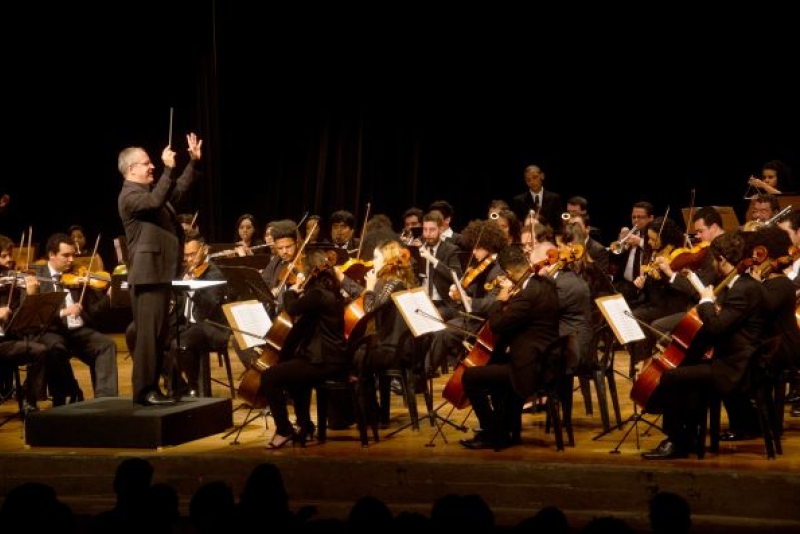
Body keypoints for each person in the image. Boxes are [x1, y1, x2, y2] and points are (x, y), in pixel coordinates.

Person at [642, 231, 764, 459]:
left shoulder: (742, 290)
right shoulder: (741, 286)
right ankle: (688, 437)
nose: (714, 266)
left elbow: (716, 327)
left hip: (733, 368)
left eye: (715, 260)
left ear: (723, 260)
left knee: (671, 376)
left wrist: (706, 301)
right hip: (730, 358)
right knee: (687, 372)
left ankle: (677, 441)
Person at [117, 132, 203, 406]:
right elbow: (156, 201)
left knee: (157, 336)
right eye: (146, 163)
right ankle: (144, 391)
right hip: (148, 274)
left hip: (159, 273)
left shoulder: (150, 193)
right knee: (148, 337)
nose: (151, 166)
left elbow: (173, 193)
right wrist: (167, 168)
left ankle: (153, 388)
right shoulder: (130, 195)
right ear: (131, 169)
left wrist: (193, 163)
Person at [459, 244, 560, 450]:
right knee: (495, 364)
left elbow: (497, 325)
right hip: (541, 358)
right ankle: (505, 429)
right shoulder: (545, 284)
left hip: (530, 368)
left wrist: (500, 299)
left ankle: (493, 433)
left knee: (470, 377)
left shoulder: (527, 295)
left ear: (508, 272)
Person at [259, 248, 349, 448]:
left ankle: (284, 429)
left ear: (310, 273)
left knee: (269, 377)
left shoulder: (317, 294)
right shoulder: (330, 292)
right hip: (332, 359)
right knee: (295, 374)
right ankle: (305, 426)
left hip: (324, 361)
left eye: (302, 271)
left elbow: (291, 308)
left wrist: (291, 291)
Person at [26, 232, 119, 405]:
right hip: (51, 330)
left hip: (77, 331)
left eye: (73, 255)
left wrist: (108, 297)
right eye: (66, 255)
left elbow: (93, 313)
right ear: (52, 255)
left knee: (106, 345)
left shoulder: (77, 277)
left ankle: (106, 400)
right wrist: (63, 312)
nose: (71, 260)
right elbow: (33, 315)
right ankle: (69, 391)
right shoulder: (36, 275)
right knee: (55, 347)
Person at [423, 219, 507, 374]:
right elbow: (471, 289)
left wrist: (469, 301)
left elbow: (493, 303)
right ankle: (422, 371)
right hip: (470, 317)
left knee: (443, 333)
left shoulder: (498, 270)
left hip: (483, 323)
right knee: (437, 329)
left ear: (489, 246)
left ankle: (423, 375)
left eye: (478, 247)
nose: (473, 252)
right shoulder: (480, 266)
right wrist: (458, 292)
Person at [169, 230, 230, 397]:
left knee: (180, 345)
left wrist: (191, 289)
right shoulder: (188, 272)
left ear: (204, 249)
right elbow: (182, 305)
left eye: (193, 254)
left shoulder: (214, 274)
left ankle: (194, 388)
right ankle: (179, 386)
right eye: (186, 256)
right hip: (189, 324)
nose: (189, 260)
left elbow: (207, 308)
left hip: (211, 326)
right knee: (156, 340)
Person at [0, 234, 48, 413]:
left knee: (40, 349)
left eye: (9, 255)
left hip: (6, 341)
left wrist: (30, 295)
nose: (9, 260)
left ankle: (30, 402)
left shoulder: (9, 285)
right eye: (3, 256)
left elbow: (21, 319)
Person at [418, 210, 464, 321]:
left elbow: (456, 276)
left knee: (430, 318)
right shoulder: (419, 248)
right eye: (425, 230)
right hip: (423, 300)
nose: (427, 234)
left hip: (443, 303)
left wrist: (432, 259)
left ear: (441, 229)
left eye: (432, 230)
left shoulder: (451, 250)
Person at [610, 201, 654, 306]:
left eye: (640, 217)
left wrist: (640, 242)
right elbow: (614, 260)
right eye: (633, 217)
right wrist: (621, 240)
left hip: (643, 287)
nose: (636, 221)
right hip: (624, 283)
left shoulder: (655, 236)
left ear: (651, 218)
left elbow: (656, 250)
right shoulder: (630, 234)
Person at [260, 219, 300, 316]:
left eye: (288, 246)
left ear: (297, 243)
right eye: (280, 248)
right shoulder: (277, 260)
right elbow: (264, 282)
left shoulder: (304, 262)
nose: (284, 251)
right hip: (277, 314)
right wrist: (270, 292)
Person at [511, 164, 563, 234]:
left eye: (535, 177)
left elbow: (558, 224)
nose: (532, 182)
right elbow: (517, 225)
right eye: (528, 180)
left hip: (550, 238)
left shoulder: (554, 198)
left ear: (542, 176)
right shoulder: (519, 200)